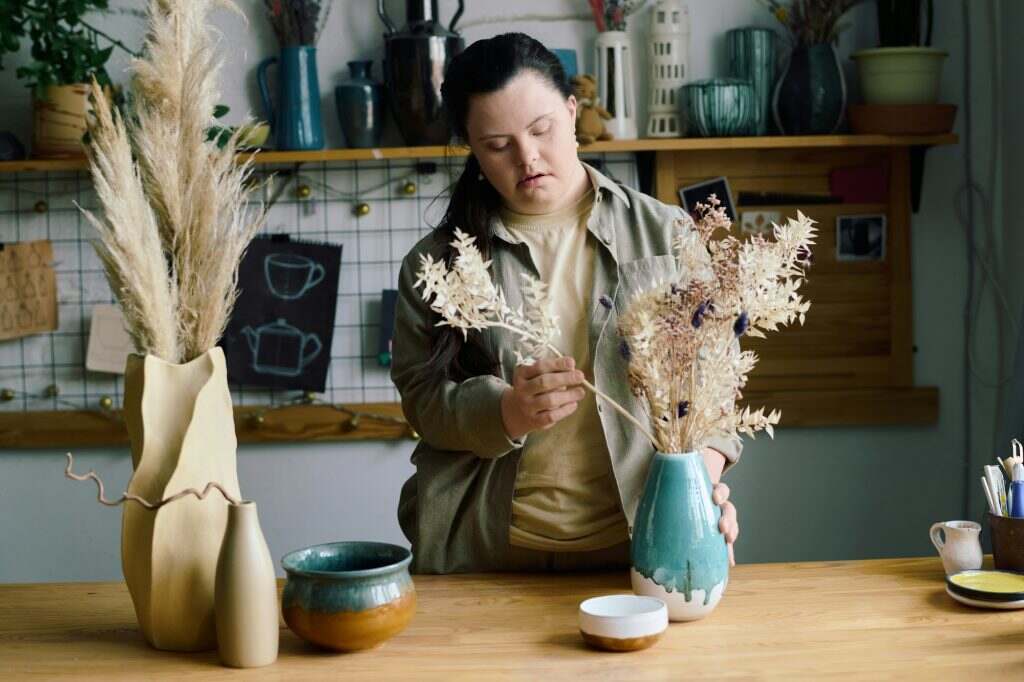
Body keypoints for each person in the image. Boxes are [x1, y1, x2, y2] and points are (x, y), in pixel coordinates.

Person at [391, 33, 740, 574]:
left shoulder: (666, 234)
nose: (527, 157)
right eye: (498, 145)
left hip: (640, 546)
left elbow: (718, 382)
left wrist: (700, 482)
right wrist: (504, 412)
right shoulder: (435, 266)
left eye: (541, 129)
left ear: (572, 114)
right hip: (487, 554)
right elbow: (422, 399)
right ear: (473, 150)